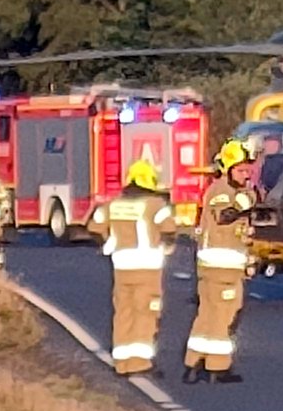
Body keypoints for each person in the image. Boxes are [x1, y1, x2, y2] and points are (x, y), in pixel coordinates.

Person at [88, 159, 176, 377]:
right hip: (147, 267)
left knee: (124, 311)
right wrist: (166, 247)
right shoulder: (155, 205)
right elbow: (169, 230)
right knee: (145, 312)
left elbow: (94, 227)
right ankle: (140, 362)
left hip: (121, 266)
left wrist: (107, 244)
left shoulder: (114, 205)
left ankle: (122, 362)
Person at [183, 138, 258, 384]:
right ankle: (217, 366)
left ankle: (194, 362)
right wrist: (246, 201)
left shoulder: (225, 189)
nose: (246, 175)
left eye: (248, 170)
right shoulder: (222, 191)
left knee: (207, 314)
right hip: (222, 266)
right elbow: (224, 215)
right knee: (224, 315)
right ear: (228, 168)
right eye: (241, 170)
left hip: (216, 265)